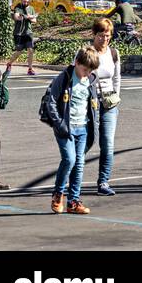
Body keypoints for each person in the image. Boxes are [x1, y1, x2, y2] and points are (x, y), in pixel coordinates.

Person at [41, 46, 100, 215]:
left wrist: (95, 123)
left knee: (79, 164)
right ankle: (58, 194)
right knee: (69, 160)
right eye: (84, 69)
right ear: (76, 63)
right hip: (65, 128)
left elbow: (95, 104)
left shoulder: (91, 80)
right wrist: (59, 124)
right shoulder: (65, 77)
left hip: (83, 127)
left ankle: (73, 201)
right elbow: (51, 102)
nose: (87, 73)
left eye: (90, 70)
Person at [87, 19, 121, 196]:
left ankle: (103, 182)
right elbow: (76, 76)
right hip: (89, 102)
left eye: (107, 36)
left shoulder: (113, 53)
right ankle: (71, 177)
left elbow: (116, 78)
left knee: (107, 143)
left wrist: (116, 96)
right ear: (94, 35)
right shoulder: (86, 53)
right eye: (101, 36)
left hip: (109, 103)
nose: (104, 39)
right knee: (85, 142)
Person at [6, 0, 37, 75]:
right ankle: (9, 63)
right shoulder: (18, 7)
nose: (25, 3)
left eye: (27, 1)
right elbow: (16, 17)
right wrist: (24, 16)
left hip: (28, 32)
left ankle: (30, 69)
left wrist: (29, 17)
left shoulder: (31, 8)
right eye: (24, 1)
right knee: (19, 51)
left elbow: (34, 20)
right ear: (21, 0)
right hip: (19, 33)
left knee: (30, 50)